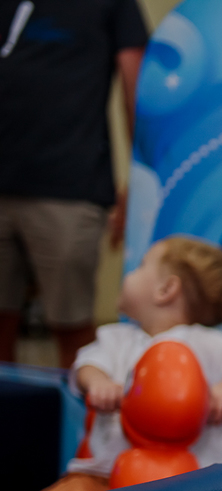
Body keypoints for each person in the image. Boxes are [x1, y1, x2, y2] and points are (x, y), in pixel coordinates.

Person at [17, 236, 222, 491]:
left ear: (166, 289)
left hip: (189, 489)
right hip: (101, 477)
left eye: (141, 266)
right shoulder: (116, 339)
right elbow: (86, 366)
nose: (129, 274)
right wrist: (98, 382)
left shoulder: (211, 344)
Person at [0, 0, 149, 368]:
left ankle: (80, 408)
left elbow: (138, 89)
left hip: (69, 186)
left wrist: (138, 184)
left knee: (73, 331)